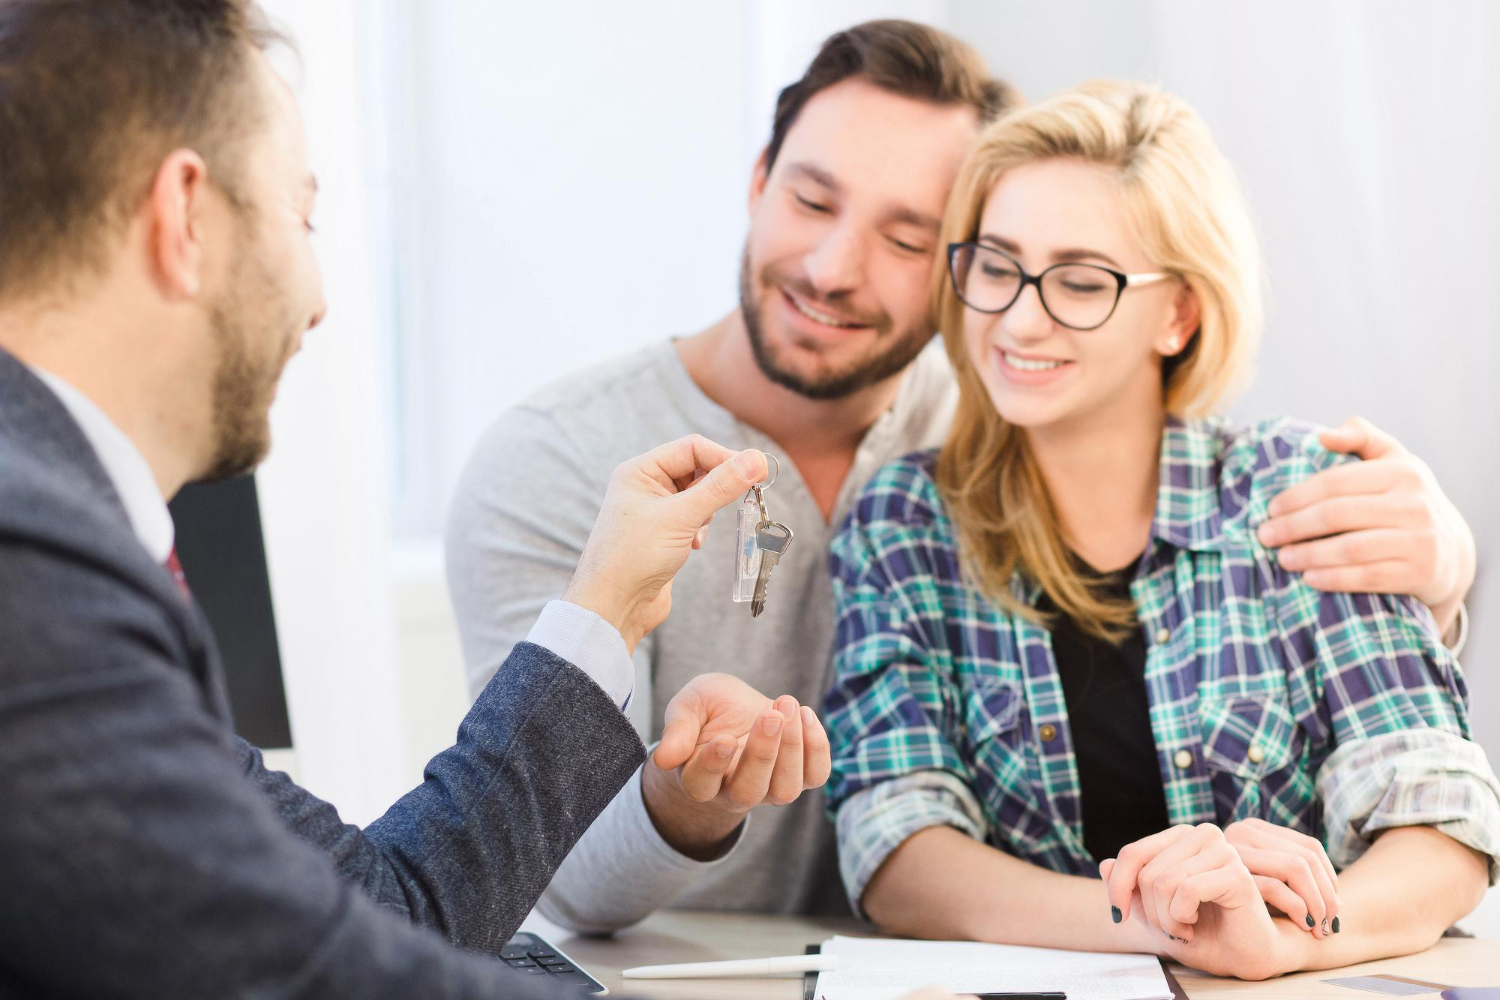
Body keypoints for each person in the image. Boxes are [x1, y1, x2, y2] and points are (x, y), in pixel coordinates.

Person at [446, 20, 1479, 932]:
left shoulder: (1041, 420)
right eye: (812, 200)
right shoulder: (568, 465)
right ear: (758, 179)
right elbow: (551, 865)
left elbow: (1430, 799)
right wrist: (686, 792)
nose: (836, 268)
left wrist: (1447, 570)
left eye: (909, 237)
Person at [0, 2, 817, 997]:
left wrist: (602, 606)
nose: (319, 298)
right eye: (302, 219)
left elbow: (384, 909)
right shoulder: (35, 570)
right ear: (185, 216)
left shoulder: (58, 541)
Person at [822, 79, 1500, 982]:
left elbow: (1439, 820)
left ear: (1178, 313)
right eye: (996, 264)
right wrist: (1159, 922)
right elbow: (898, 849)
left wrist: (1283, 941)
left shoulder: (1303, 491)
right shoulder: (902, 524)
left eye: (1079, 281)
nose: (1020, 318)